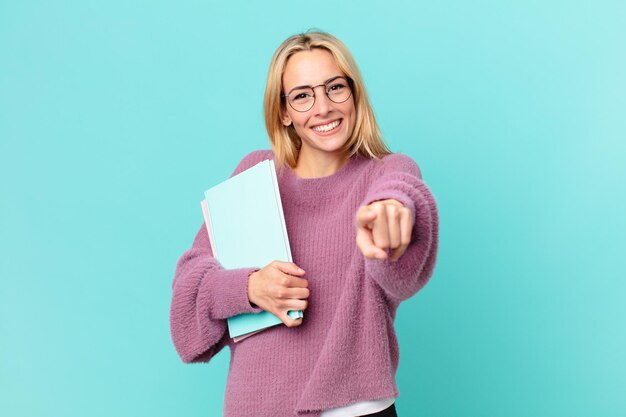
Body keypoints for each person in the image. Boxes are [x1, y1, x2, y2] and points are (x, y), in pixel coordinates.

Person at [170, 31, 439, 417]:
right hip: (257, 406)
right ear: (283, 111)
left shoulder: (387, 173)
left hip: (354, 409)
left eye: (335, 88)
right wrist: (248, 287)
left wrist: (391, 215)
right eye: (302, 95)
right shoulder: (255, 174)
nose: (323, 107)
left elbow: (401, 197)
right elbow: (188, 294)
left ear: (354, 92)